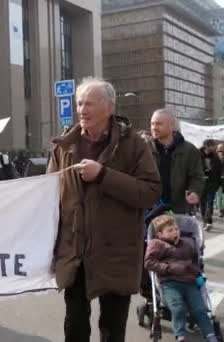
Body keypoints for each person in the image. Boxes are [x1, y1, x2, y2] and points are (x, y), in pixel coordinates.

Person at [47, 77, 160, 342]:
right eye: (79, 103)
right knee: (74, 325)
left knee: (112, 328)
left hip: (116, 251)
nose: (82, 110)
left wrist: (103, 175)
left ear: (109, 107)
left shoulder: (134, 144)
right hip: (76, 251)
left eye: (90, 103)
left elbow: (150, 192)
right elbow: (48, 194)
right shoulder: (64, 145)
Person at [144, 215, 218, 342]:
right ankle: (180, 335)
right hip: (169, 283)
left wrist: (198, 275)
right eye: (170, 230)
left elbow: (193, 262)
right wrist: (168, 268)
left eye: (176, 229)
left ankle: (211, 335)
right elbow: (149, 262)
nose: (175, 232)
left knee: (200, 308)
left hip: (190, 282)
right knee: (178, 308)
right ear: (160, 234)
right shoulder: (157, 244)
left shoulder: (186, 244)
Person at [149, 108, 204, 214]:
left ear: (172, 126)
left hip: (177, 208)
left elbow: (197, 177)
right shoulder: (144, 148)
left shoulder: (189, 150)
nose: (154, 128)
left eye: (159, 124)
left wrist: (194, 192)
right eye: (152, 124)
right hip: (149, 208)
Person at [200, 139, 221, 231]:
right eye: (212, 145)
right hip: (200, 183)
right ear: (206, 146)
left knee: (210, 201)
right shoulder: (197, 155)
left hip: (212, 183)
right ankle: (205, 221)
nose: (214, 147)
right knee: (203, 203)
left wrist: (218, 182)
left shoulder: (215, 157)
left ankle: (209, 221)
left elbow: (219, 170)